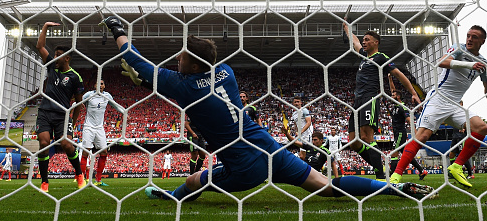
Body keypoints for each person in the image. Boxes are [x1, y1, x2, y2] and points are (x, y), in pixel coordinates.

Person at [101, 16, 434, 201]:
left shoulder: (183, 85)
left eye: (181, 58)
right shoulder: (226, 72)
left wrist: (118, 31)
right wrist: (147, 82)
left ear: (191, 65)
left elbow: (134, 60)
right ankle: (394, 187)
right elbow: (182, 81)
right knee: (327, 187)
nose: (176, 60)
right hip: (270, 148)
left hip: (244, 167)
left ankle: (170, 198)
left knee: (192, 182)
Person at [390, 25, 487, 188]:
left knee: (481, 127)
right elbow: (441, 61)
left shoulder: (484, 63)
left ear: (482, 41)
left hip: (456, 104)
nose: (469, 39)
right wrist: (469, 65)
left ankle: (456, 167)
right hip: (438, 99)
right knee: (422, 137)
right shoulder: (459, 49)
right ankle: (395, 176)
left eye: (474, 37)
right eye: (468, 35)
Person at [343, 22, 421, 180]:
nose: (364, 42)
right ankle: (379, 166)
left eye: (367, 40)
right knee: (354, 142)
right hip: (357, 101)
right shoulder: (364, 56)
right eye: (363, 40)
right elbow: (355, 41)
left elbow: (399, 74)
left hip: (369, 98)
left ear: (375, 42)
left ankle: (380, 175)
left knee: (366, 137)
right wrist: (346, 27)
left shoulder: (381, 57)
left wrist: (413, 92)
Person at [35, 21, 86, 193]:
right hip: (44, 112)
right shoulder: (51, 67)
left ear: (67, 58)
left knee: (66, 144)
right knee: (44, 144)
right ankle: (44, 182)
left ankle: (79, 174)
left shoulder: (75, 77)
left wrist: (73, 120)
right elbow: (40, 46)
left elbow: (79, 102)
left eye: (58, 55)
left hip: (63, 115)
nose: (55, 57)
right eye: (54, 54)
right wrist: (46, 26)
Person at [387, 75, 427, 180]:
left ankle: (392, 176)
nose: (392, 96)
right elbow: (393, 89)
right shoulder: (395, 105)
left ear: (398, 96)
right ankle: (422, 171)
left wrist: (415, 134)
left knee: (394, 154)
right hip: (396, 132)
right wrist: (390, 79)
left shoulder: (402, 107)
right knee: (407, 154)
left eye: (394, 95)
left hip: (400, 132)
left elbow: (409, 120)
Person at [80, 79, 114, 187]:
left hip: (100, 128)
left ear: (104, 86)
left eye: (102, 83)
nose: (100, 85)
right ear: (94, 85)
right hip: (88, 127)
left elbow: (114, 105)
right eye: (98, 83)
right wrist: (78, 104)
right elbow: (80, 101)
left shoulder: (107, 95)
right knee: (86, 152)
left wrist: (123, 111)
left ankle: (98, 180)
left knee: (104, 152)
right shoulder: (88, 95)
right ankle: (82, 179)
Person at [449, 104, 474, 179]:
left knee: (462, 155)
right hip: (455, 137)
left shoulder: (464, 113)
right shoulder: (453, 112)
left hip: (461, 137)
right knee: (451, 155)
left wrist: (465, 129)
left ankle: (470, 174)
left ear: (461, 104)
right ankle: (453, 173)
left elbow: (471, 123)